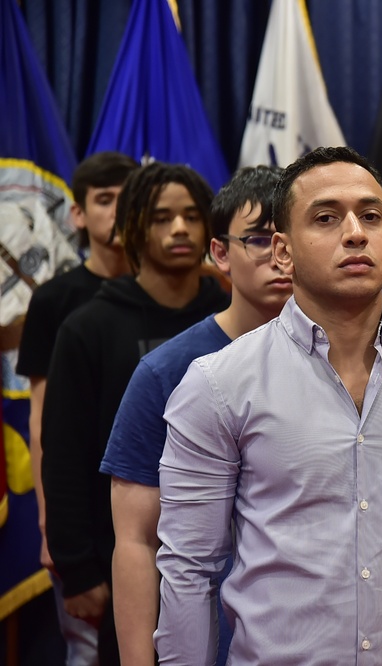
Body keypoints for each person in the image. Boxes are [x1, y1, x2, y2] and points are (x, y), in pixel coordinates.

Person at [154, 146, 382, 665]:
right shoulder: (218, 384)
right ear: (282, 251)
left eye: (372, 216)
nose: (355, 232)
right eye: (326, 217)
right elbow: (190, 570)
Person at [40, 163, 230, 665]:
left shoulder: (242, 318)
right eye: (162, 217)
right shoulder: (88, 328)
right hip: (125, 557)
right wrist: (78, 569)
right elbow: (63, 455)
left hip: (238, 562)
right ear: (132, 228)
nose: (180, 229)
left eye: (192, 216)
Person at [99, 166, 288, 666]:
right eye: (261, 241)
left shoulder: (349, 360)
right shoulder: (168, 372)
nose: (281, 257)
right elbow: (136, 541)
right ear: (220, 253)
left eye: (290, 239)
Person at [16, 151, 138, 666]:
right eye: (103, 201)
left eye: (125, 198)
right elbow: (42, 423)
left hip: (157, 510)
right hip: (82, 513)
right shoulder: (55, 300)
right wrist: (53, 532)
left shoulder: (174, 290)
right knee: (88, 650)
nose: (116, 211)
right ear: (78, 216)